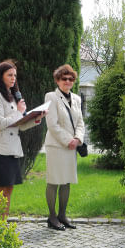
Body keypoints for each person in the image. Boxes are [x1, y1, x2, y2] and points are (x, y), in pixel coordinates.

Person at [0, 61, 44, 217]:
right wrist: (19, 111)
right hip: (0, 148)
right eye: (9, 75)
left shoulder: (12, 97)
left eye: (15, 76)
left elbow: (19, 125)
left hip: (12, 148)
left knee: (9, 188)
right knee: (0, 188)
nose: (13, 78)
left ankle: (3, 221)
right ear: (1, 76)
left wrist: (36, 118)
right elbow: (0, 124)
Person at [43, 65, 85, 231]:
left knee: (67, 181)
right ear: (57, 80)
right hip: (57, 146)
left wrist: (77, 138)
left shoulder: (76, 98)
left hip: (71, 146)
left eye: (70, 79)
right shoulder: (51, 97)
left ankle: (62, 215)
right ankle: (52, 217)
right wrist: (68, 140)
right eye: (64, 79)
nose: (67, 81)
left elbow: (80, 122)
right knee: (54, 181)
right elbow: (52, 124)